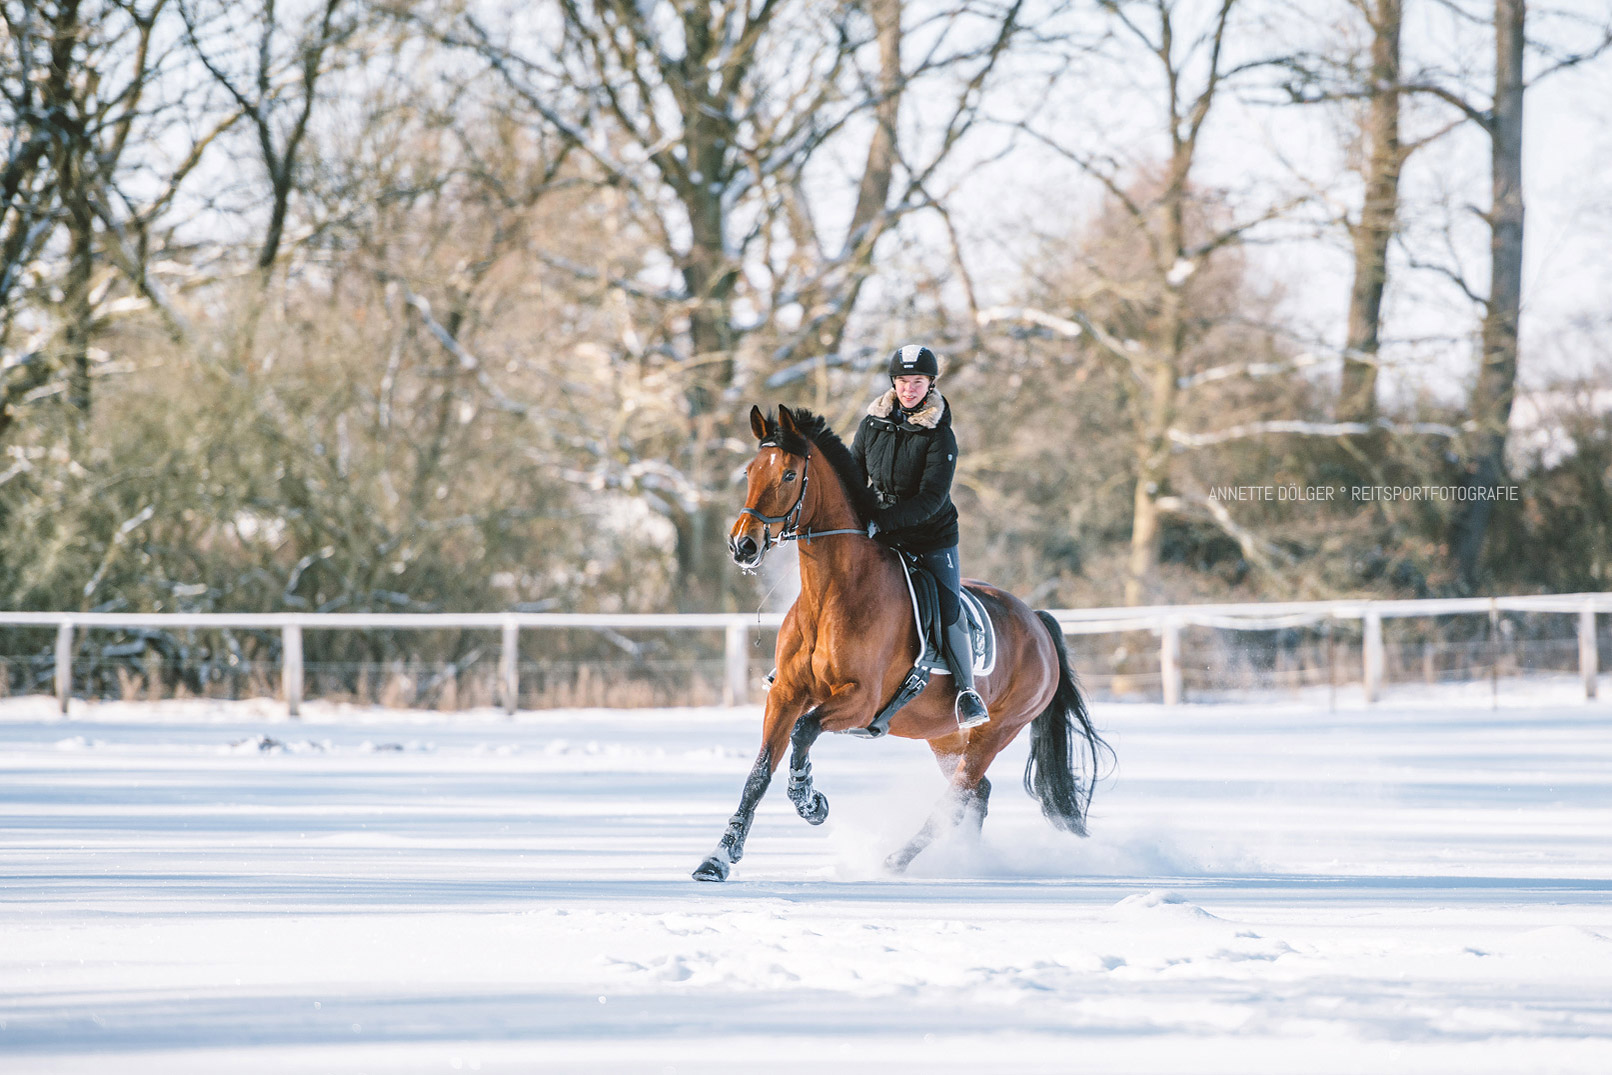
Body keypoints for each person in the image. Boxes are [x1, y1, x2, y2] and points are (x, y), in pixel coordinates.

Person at [850, 345, 989, 730]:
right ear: (893, 383)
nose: (909, 389)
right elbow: (853, 477)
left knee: (946, 606)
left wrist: (883, 521)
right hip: (880, 532)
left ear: (930, 385)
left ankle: (966, 691)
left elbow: (931, 498)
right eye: (902, 381)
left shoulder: (940, 436)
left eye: (917, 382)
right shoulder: (870, 425)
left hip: (930, 536)